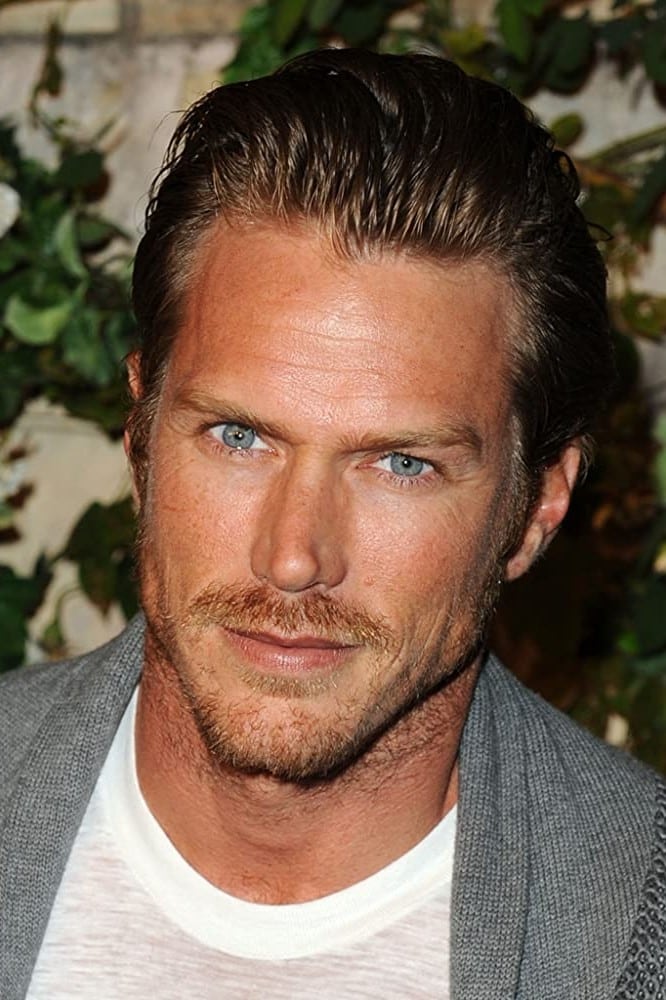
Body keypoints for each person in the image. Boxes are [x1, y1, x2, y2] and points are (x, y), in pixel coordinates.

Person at [1, 47, 664, 1000]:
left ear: (535, 510)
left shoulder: (643, 930)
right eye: (239, 437)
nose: (293, 557)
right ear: (141, 437)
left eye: (402, 464)